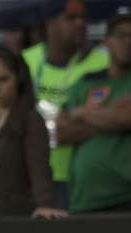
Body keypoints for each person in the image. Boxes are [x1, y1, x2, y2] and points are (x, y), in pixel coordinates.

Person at [57, 7, 131, 213]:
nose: (128, 41)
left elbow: (128, 118)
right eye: (121, 35)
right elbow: (62, 131)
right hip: (84, 199)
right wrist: (111, 115)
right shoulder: (86, 81)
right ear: (106, 41)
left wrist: (82, 113)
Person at [22, 0, 109, 209]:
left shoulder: (103, 62)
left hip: (82, 177)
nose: (80, 24)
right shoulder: (26, 60)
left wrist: (45, 132)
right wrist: (59, 130)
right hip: (33, 176)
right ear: (50, 23)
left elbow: (105, 124)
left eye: (83, 18)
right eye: (71, 18)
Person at [0, 47, 66, 220]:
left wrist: (44, 204)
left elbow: (39, 165)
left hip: (16, 216)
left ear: (18, 78)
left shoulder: (30, 119)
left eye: (3, 79)